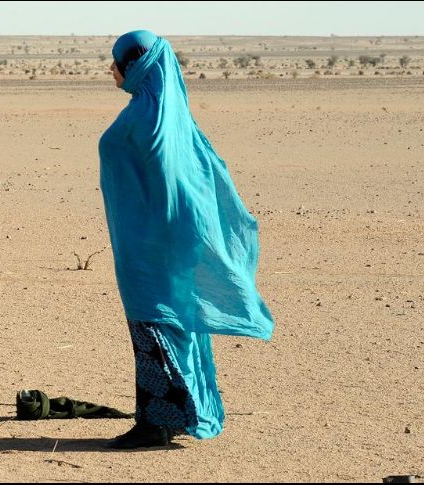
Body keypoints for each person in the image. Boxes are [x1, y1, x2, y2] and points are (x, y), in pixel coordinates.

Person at [99, 30, 275, 449]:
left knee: (153, 323)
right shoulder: (172, 116)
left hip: (151, 244)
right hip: (160, 241)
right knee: (168, 323)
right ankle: (171, 415)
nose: (111, 69)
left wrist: (161, 234)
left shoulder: (149, 118)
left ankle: (156, 423)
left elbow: (174, 182)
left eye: (117, 61)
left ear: (136, 64)